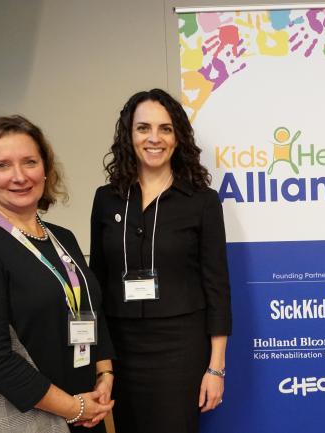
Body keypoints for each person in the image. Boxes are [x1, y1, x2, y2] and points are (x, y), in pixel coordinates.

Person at [90, 88, 231, 433]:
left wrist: (215, 368)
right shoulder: (107, 199)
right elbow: (96, 282)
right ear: (129, 134)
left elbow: (217, 287)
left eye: (165, 129)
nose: (154, 138)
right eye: (143, 128)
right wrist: (102, 363)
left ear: (178, 136)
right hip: (122, 348)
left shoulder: (201, 201)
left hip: (180, 347)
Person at [0, 115, 115, 431]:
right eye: (2, 165)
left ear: (46, 169)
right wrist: (73, 408)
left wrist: (104, 374)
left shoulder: (63, 237)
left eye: (29, 162)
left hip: (88, 408)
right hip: (33, 417)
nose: (19, 176)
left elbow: (91, 309)